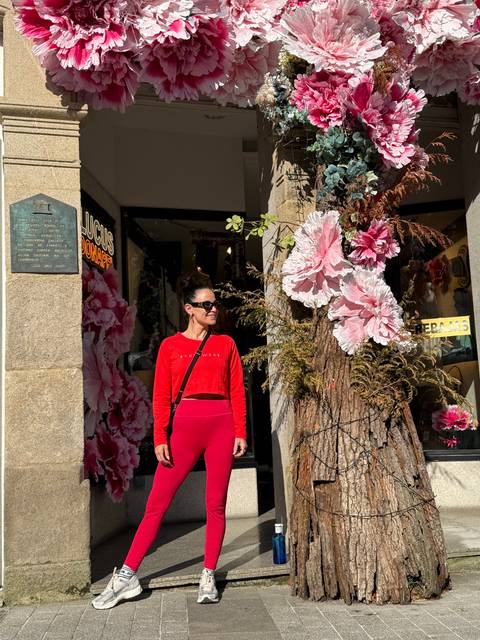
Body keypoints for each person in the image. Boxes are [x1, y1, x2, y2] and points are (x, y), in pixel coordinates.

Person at [92, 272, 248, 609]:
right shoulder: (171, 346)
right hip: (185, 429)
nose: (213, 310)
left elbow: (237, 390)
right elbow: (161, 396)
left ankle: (208, 574)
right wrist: (160, 436)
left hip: (221, 424)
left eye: (215, 304)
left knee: (215, 504)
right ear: (189, 308)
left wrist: (240, 431)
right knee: (156, 505)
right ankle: (127, 575)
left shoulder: (226, 344)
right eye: (206, 305)